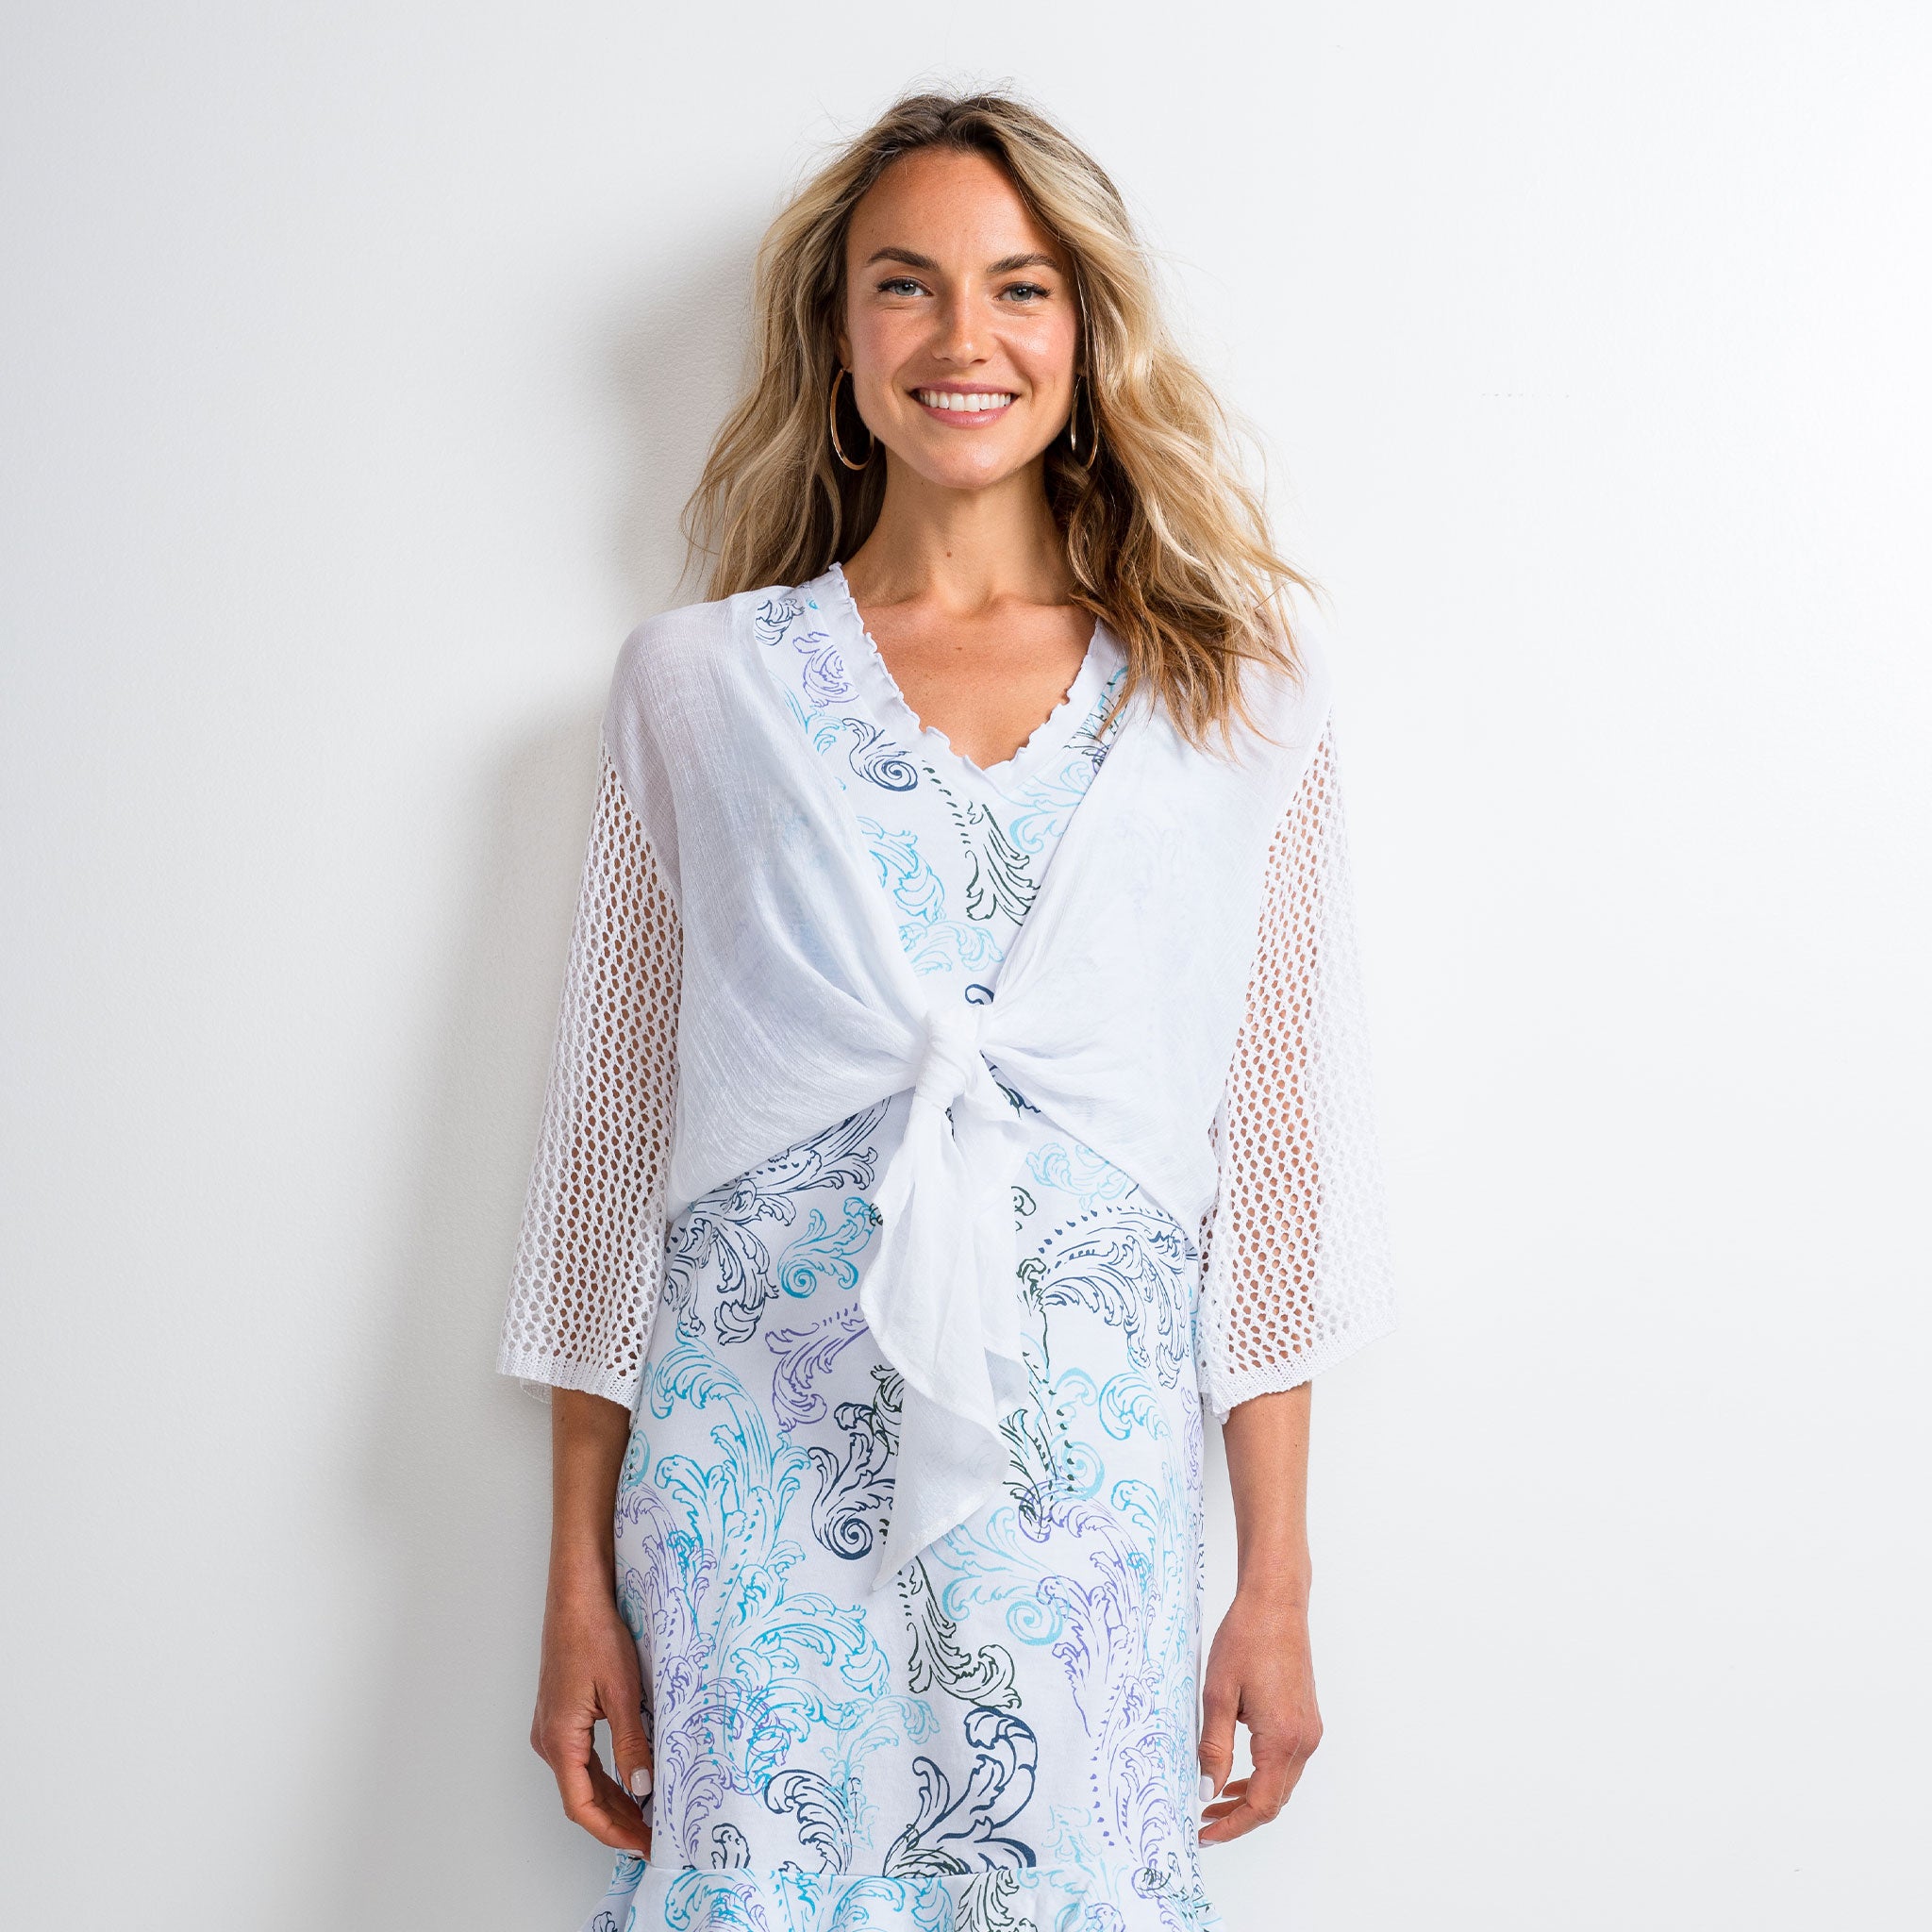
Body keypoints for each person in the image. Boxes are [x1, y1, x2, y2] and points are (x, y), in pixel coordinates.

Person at [499, 88, 1395, 1932]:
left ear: (1085, 329)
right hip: (748, 1484)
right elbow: (608, 1155)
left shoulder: (1235, 695)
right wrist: (575, 1578)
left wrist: (1277, 1579)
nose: (963, 337)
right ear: (839, 338)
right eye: (905, 285)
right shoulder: (695, 687)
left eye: (1019, 287)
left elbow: (1276, 1164)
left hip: (1088, 1504)